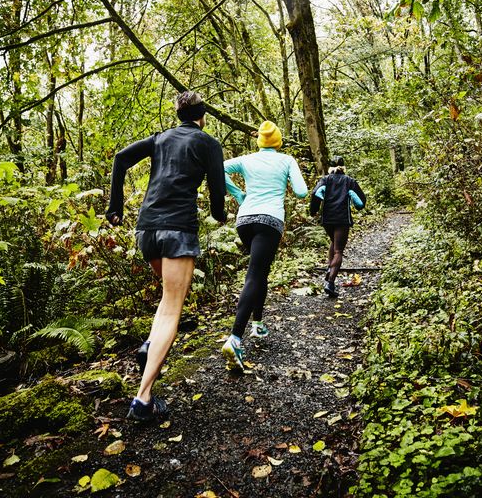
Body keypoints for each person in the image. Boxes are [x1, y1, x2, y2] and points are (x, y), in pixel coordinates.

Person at [105, 91, 227, 420]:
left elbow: (120, 158)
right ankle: (143, 399)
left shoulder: (160, 139)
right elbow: (218, 195)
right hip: (178, 230)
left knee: (166, 298)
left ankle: (150, 345)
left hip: (146, 230)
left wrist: (114, 205)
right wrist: (221, 215)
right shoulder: (208, 143)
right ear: (202, 117)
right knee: (173, 308)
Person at [221, 121, 308, 370]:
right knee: (255, 274)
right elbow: (301, 192)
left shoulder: (246, 159)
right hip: (269, 221)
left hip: (245, 221)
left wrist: (238, 194)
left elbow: (217, 168)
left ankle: (258, 324)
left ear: (259, 141)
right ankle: (235, 338)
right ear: (278, 141)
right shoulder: (287, 160)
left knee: (261, 272)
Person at [310, 156, 366, 298]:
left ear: (330, 167)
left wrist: (313, 211)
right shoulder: (349, 181)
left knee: (334, 243)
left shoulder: (325, 180)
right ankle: (330, 282)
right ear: (343, 167)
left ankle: (330, 270)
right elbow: (360, 203)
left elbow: (315, 194)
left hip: (327, 219)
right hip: (342, 219)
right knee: (338, 251)